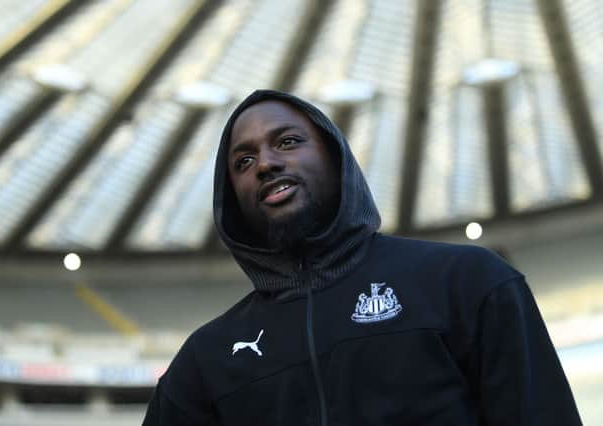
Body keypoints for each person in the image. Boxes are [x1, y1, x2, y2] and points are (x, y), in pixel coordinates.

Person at [143, 90, 581, 425]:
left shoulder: (466, 282)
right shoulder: (205, 360)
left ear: (337, 159)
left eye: (288, 141)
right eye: (243, 161)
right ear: (231, 199)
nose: (265, 164)